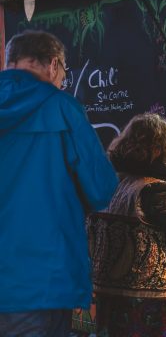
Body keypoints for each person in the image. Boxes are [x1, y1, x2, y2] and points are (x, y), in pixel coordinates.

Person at [0, 30, 118, 336]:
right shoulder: (62, 108)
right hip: (43, 281)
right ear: (53, 64)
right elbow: (101, 188)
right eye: (64, 72)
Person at [87, 113, 166, 337]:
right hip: (149, 300)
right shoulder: (157, 189)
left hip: (110, 295)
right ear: (163, 149)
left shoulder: (114, 182)